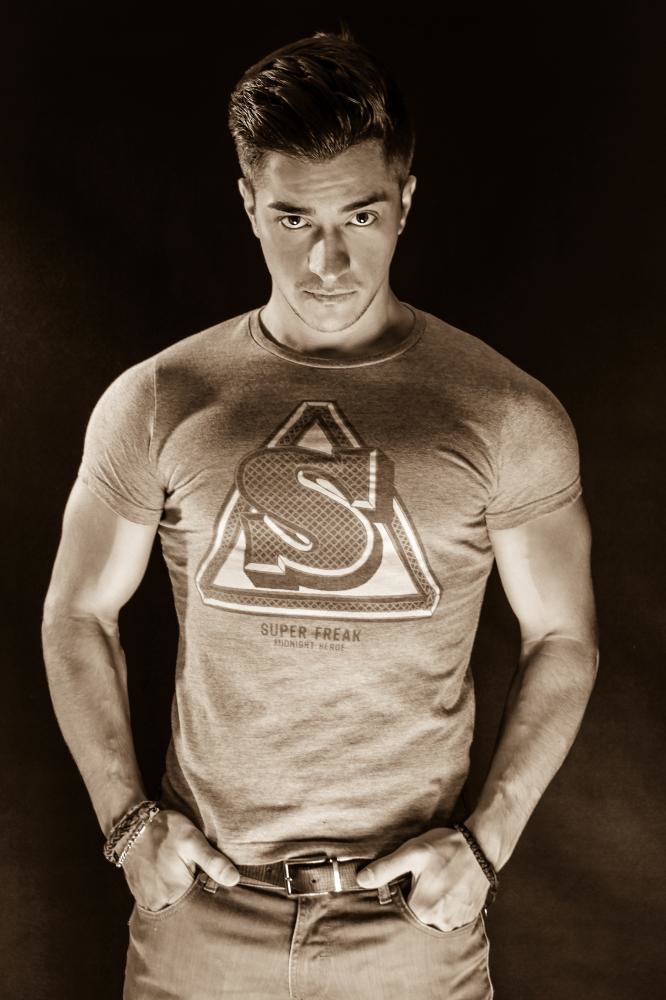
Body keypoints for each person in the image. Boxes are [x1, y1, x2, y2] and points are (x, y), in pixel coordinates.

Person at [42, 29, 598, 1000]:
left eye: (361, 215)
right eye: (293, 218)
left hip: (410, 925)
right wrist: (128, 825)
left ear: (406, 202)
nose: (328, 259)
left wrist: (485, 844)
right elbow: (77, 611)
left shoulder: (505, 411)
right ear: (248, 204)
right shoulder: (162, 399)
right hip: (204, 911)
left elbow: (564, 636)